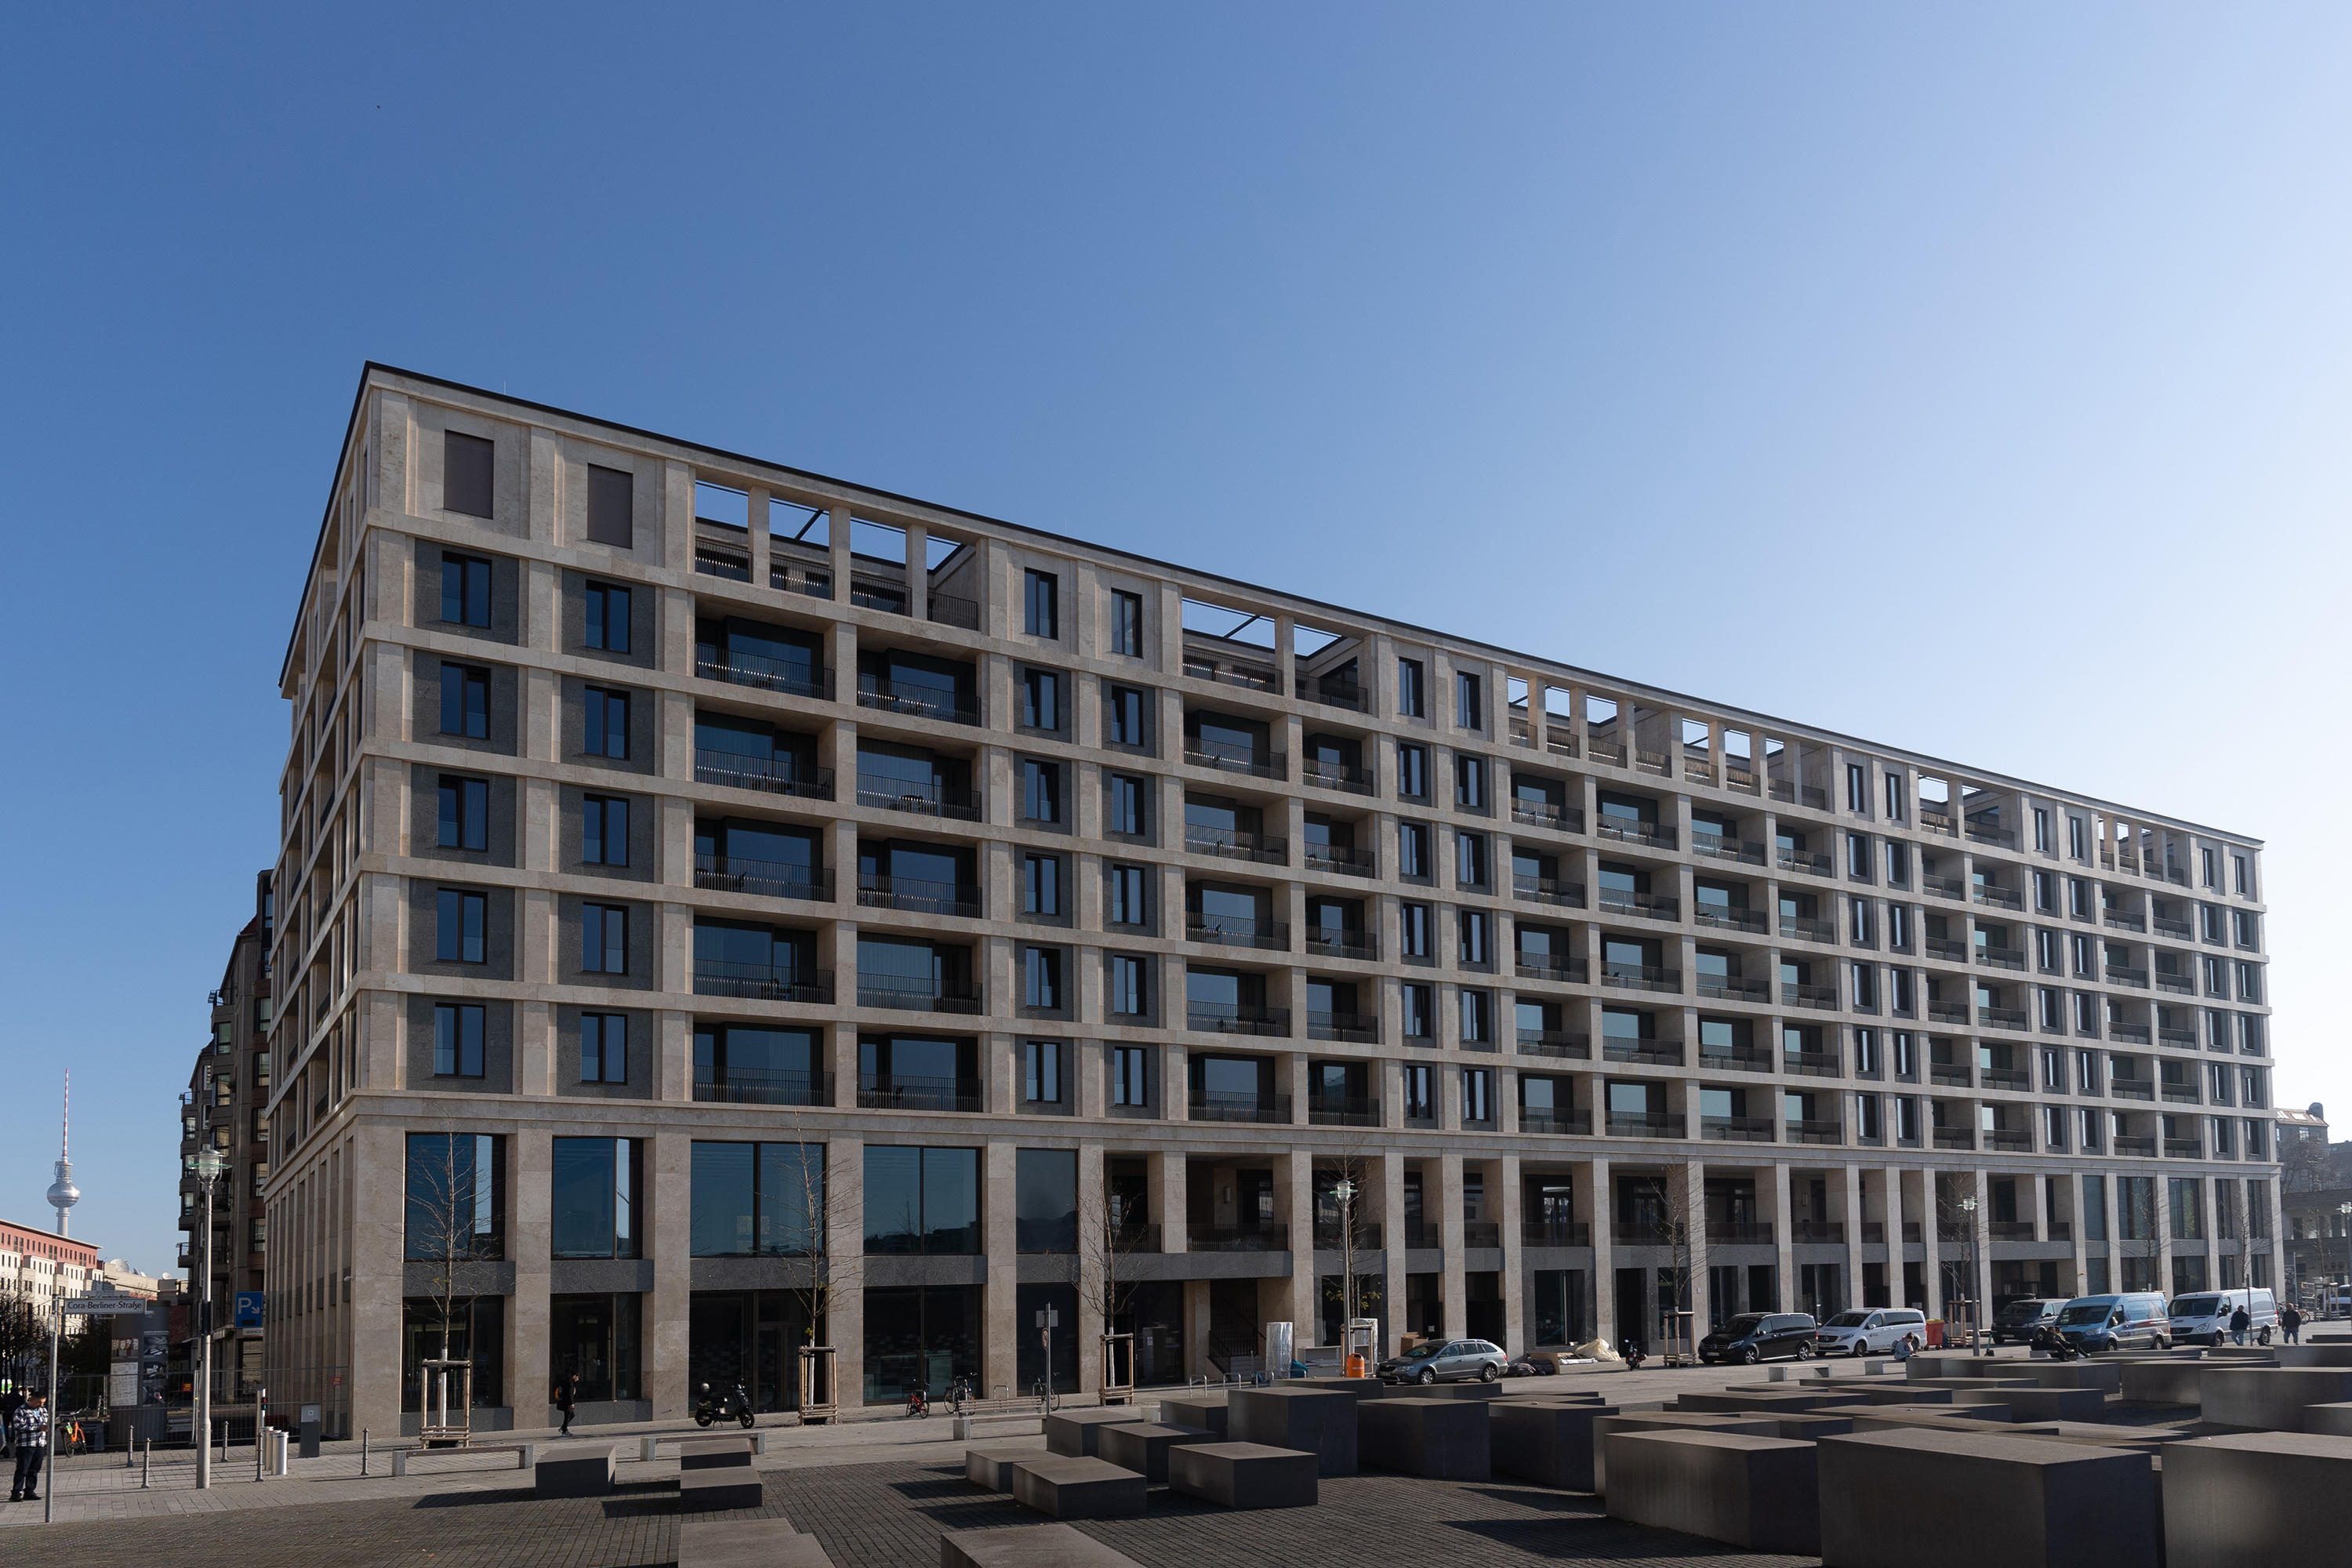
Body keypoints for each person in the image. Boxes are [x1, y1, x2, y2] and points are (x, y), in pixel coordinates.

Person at [9, 1393, 48, 1503]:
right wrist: (37, 1428)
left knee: (35, 1469)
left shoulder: (43, 1410)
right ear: (32, 1399)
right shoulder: (21, 1411)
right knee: (22, 1469)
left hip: (40, 1443)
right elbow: (18, 1426)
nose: (40, 1405)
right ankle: (16, 1492)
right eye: (39, 1402)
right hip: (26, 1444)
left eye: (43, 1403)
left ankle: (30, 1491)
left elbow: (46, 1422)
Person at [554, 1373, 579, 1438]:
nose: (577, 1379)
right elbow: (569, 1394)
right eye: (577, 1378)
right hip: (567, 1402)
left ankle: (563, 1428)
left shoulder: (566, 1381)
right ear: (574, 1376)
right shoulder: (570, 1383)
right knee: (568, 1416)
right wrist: (571, 1403)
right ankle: (564, 1431)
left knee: (571, 1415)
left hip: (564, 1401)